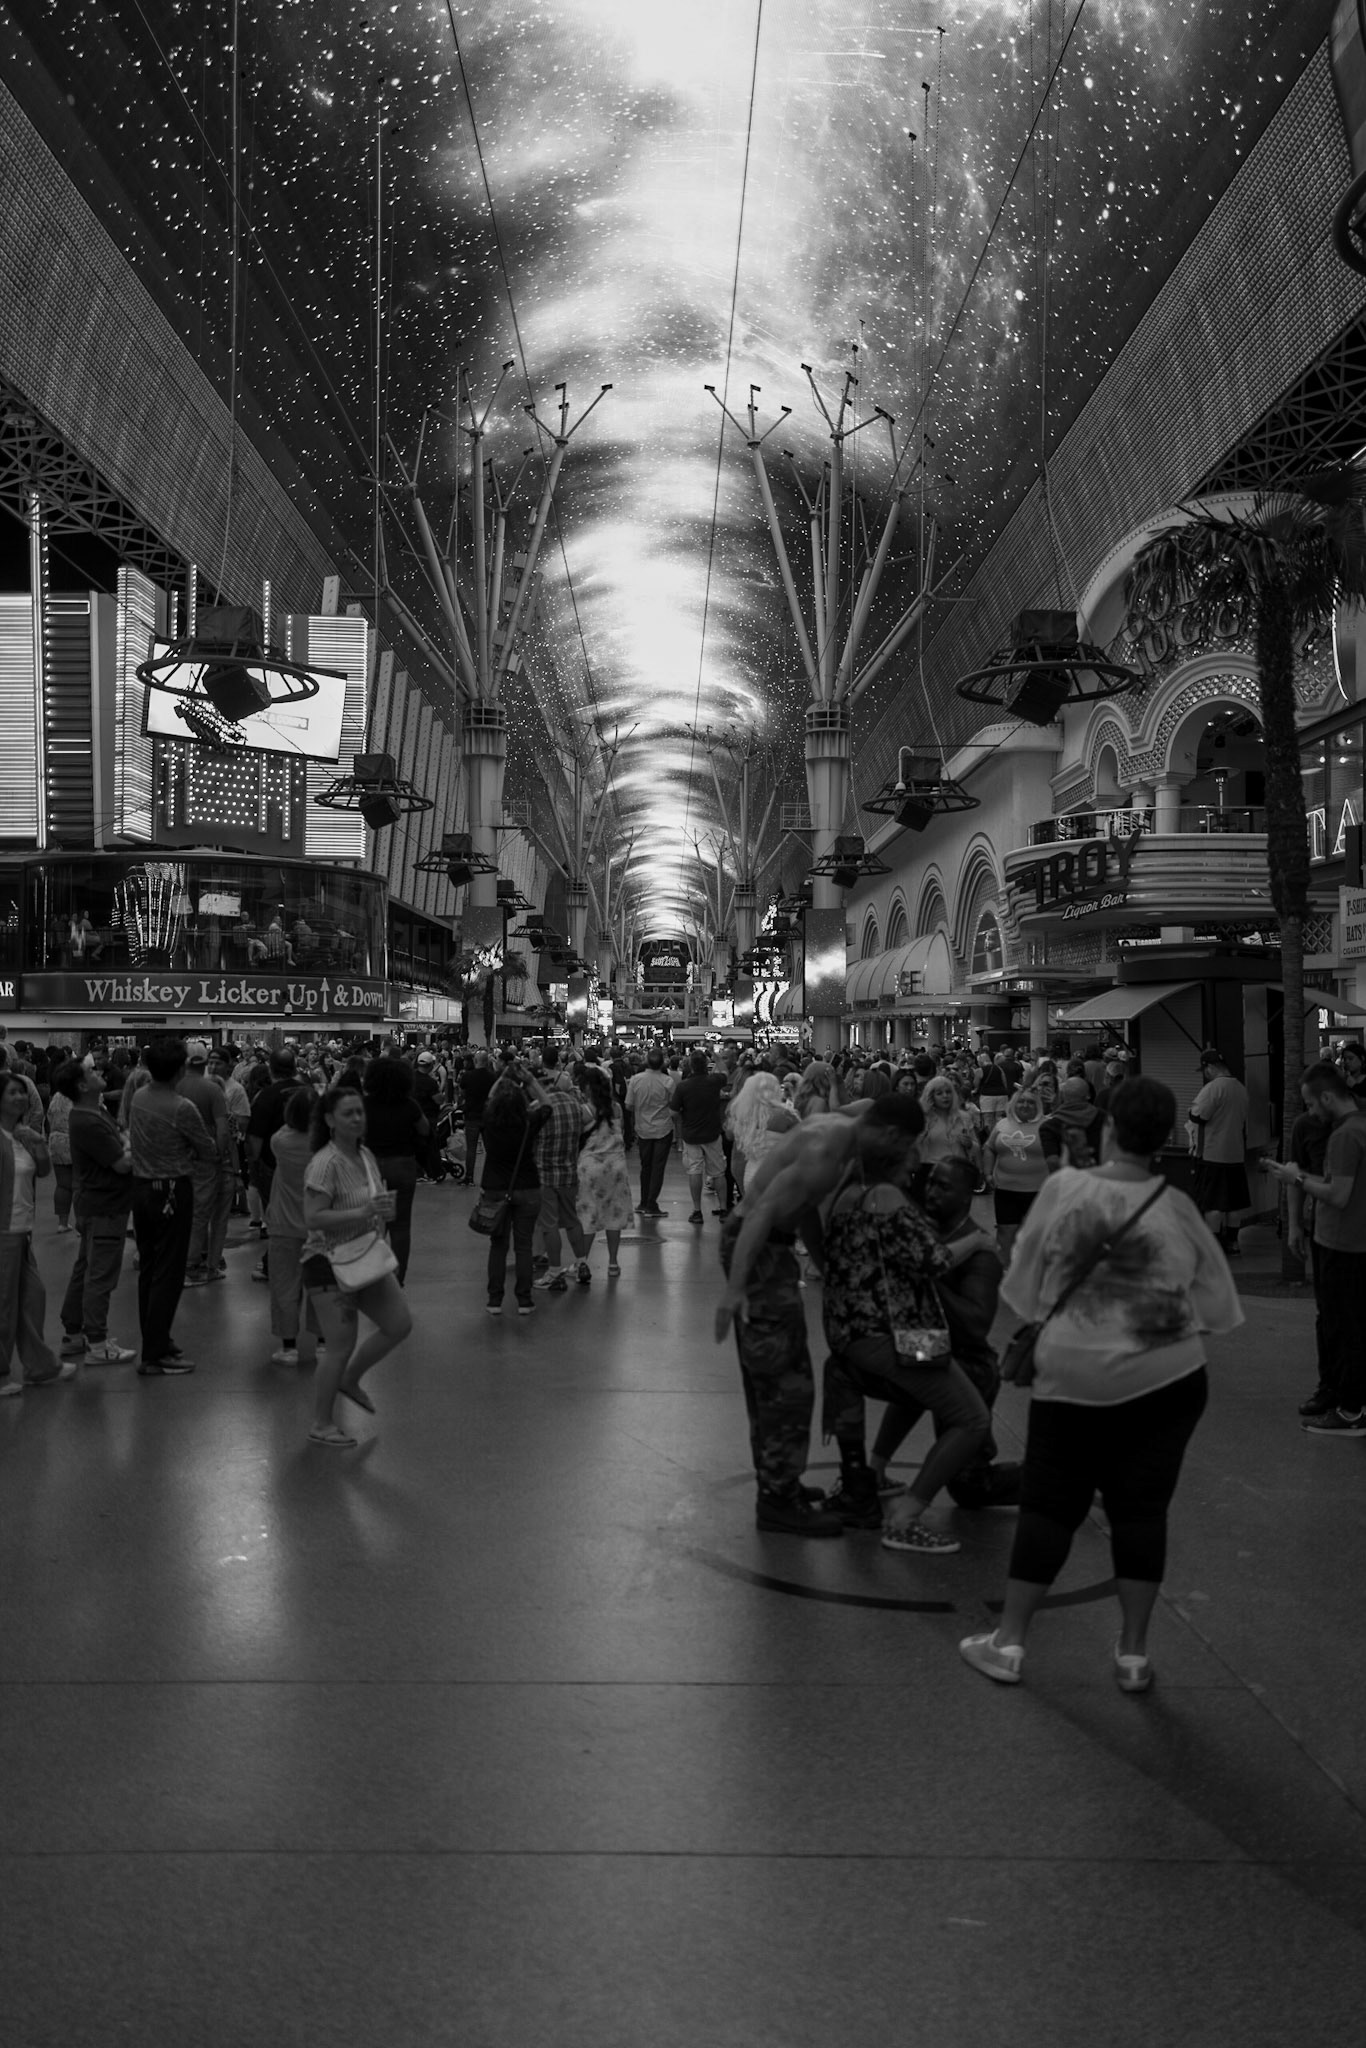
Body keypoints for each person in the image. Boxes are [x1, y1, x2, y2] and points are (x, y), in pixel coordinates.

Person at [960, 1077, 1241, 1689]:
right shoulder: (1178, 1206)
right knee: (1142, 1511)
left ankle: (1008, 1642)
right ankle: (1134, 1654)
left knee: (1049, 1505)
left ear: (1107, 1128)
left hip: (1073, 1377)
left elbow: (1024, 1291)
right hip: (1169, 1381)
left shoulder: (1064, 1189)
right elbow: (1219, 1311)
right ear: (1164, 1137)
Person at [818, 1099, 994, 1554]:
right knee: (972, 1419)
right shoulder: (888, 1198)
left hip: (850, 1328)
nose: (922, 1168)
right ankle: (907, 1515)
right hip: (895, 1332)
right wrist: (977, 1240)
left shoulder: (844, 1194)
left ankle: (874, 1472)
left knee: (924, 1389)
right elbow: (932, 1260)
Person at [869, 1157, 1020, 1509]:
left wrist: (925, 1276)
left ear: (968, 1195)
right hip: (933, 1346)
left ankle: (1067, 1479)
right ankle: (875, 1470)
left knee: (969, 1487)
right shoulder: (926, 1232)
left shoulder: (979, 1251)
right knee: (910, 1373)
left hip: (970, 1362)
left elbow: (975, 1323)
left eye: (944, 1186)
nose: (932, 1192)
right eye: (931, 1183)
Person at [300, 1083, 411, 1447]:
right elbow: (313, 1217)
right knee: (340, 1344)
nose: (357, 1118)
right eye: (348, 1113)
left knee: (398, 1324)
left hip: (364, 1253)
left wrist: (379, 1212)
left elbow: (374, 1198)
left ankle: (351, 1379)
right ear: (330, 1120)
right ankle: (321, 1422)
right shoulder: (325, 1163)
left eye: (360, 1111)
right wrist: (363, 1211)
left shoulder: (365, 1155)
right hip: (327, 1261)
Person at [1267, 1062, 1366, 1435]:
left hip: (1343, 1242)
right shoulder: (1354, 1128)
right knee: (1340, 1322)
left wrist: (1296, 1177)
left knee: (1345, 1325)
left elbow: (1337, 1194)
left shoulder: (1344, 1136)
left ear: (1327, 1097)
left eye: (1310, 1104)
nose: (1309, 1112)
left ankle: (1351, 1410)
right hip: (1339, 1240)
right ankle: (1343, 1396)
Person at [128, 1036, 219, 1375]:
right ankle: (155, 1354)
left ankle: (156, 1339)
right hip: (172, 1191)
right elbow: (208, 1149)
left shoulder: (138, 1097)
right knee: (169, 1274)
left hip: (142, 1189)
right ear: (181, 1068)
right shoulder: (182, 1108)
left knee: (150, 1269)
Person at [53, 1060, 136, 1367]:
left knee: (85, 1268)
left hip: (96, 1203)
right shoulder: (88, 1121)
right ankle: (98, 1343)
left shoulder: (94, 1113)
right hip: (105, 1206)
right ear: (82, 1086)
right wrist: (132, 1145)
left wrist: (125, 1144)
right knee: (100, 1274)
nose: (99, 1073)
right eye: (90, 1073)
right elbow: (122, 1162)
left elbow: (120, 1144)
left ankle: (74, 1333)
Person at [0, 1074, 65, 1396]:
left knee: (33, 1297)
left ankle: (39, 1365)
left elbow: (42, 1172)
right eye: (12, 1093)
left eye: (22, 1093)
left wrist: (38, 1145)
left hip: (22, 1229)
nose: (20, 1098)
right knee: (5, 1304)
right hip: (4, 1231)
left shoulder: (22, 1136)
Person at [481, 1067, 546, 1315]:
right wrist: (529, 1081)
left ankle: (494, 1300)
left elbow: (489, 1099)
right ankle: (524, 1300)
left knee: (498, 1245)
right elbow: (547, 1103)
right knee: (524, 1246)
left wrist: (502, 1078)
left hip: (495, 1189)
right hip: (528, 1186)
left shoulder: (489, 1120)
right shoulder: (529, 1122)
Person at [361, 1056, 428, 1286]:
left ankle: (372, 1273)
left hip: (371, 1167)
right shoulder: (409, 1105)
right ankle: (398, 1279)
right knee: (401, 1226)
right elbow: (425, 1129)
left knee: (372, 1222)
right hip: (402, 1164)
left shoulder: (364, 1104)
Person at [529, 1049, 593, 1290]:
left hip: (545, 1172)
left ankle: (554, 1271)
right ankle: (582, 1262)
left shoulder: (538, 1107)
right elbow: (589, 1123)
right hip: (569, 1171)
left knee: (550, 1224)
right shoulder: (575, 1105)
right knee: (573, 1220)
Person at [266, 1087, 319, 1367]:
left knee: (285, 1286)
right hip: (322, 1227)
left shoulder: (280, 1141)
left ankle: (288, 1347)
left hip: (284, 1225)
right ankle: (323, 1343)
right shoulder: (329, 1143)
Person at [180, 1041, 232, 1287]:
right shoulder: (213, 1091)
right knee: (205, 1214)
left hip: (180, 1158)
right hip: (207, 1159)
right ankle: (196, 1265)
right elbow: (223, 1130)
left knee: (186, 1212)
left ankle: (188, 1260)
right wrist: (219, 1156)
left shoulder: (175, 1087)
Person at [1188, 1048, 1249, 1255]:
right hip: (1236, 1153)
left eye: (1204, 1069)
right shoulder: (1240, 1088)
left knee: (1212, 1203)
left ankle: (1213, 1247)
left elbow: (1198, 1116)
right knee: (1233, 1204)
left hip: (1212, 1153)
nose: (1204, 1074)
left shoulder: (1213, 1089)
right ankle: (1233, 1242)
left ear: (1210, 1067)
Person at [575, 1065, 634, 1277]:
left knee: (588, 1216)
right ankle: (613, 1263)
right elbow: (623, 1133)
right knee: (614, 1215)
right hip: (616, 1167)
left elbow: (576, 1138)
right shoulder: (616, 1108)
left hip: (590, 1168)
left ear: (587, 1089)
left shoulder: (585, 1111)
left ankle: (582, 1262)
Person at [982, 1088, 1054, 1260]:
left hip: (1038, 1190)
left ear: (1038, 1105)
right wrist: (988, 1173)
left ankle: (1032, 1272)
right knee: (1006, 1231)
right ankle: (1005, 1271)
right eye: (1021, 1101)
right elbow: (989, 1148)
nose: (1025, 1105)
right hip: (1006, 1189)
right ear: (1013, 1104)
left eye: (1030, 1102)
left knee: (1035, 1234)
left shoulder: (1048, 1125)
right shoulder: (1002, 1124)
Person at [671, 1050, 729, 1226]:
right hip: (712, 1132)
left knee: (695, 1171)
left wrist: (682, 1122)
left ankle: (697, 1211)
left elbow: (673, 1112)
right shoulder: (714, 1082)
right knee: (718, 1172)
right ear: (706, 1065)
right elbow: (725, 1072)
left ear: (690, 1066)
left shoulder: (683, 1087)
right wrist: (717, 1057)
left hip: (691, 1134)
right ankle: (724, 1208)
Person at [625, 1047, 674, 1216]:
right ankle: (652, 1204)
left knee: (645, 1166)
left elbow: (629, 1105)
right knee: (657, 1167)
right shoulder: (667, 1082)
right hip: (663, 1129)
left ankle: (643, 1202)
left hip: (643, 1129)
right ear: (662, 1063)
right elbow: (674, 1106)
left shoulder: (635, 1080)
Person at [1042, 1075, 1107, 1171]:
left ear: (1063, 1095)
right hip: (1100, 1177)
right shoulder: (1105, 1119)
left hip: (1067, 1180)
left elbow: (1052, 1161)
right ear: (1088, 1095)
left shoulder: (1048, 1127)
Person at [917, 1076, 981, 1173]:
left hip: (958, 1169)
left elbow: (976, 1147)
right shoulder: (923, 1118)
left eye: (948, 1092)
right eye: (939, 1093)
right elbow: (913, 1146)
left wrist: (970, 1144)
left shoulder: (964, 1117)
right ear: (931, 1097)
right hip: (931, 1170)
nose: (945, 1096)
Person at [458, 1053, 494, 1184]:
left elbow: (462, 1093)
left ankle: (469, 1177)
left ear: (475, 1060)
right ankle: (492, 1177)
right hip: (488, 1115)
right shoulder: (492, 1077)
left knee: (471, 1149)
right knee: (490, 1149)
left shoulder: (468, 1076)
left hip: (472, 1115)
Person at [45, 1075, 74, 1230]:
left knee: (62, 1185)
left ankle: (62, 1223)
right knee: (80, 1185)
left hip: (56, 1141)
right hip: (75, 1141)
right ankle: (82, 1225)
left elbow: (48, 1116)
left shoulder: (57, 1096)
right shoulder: (80, 1096)